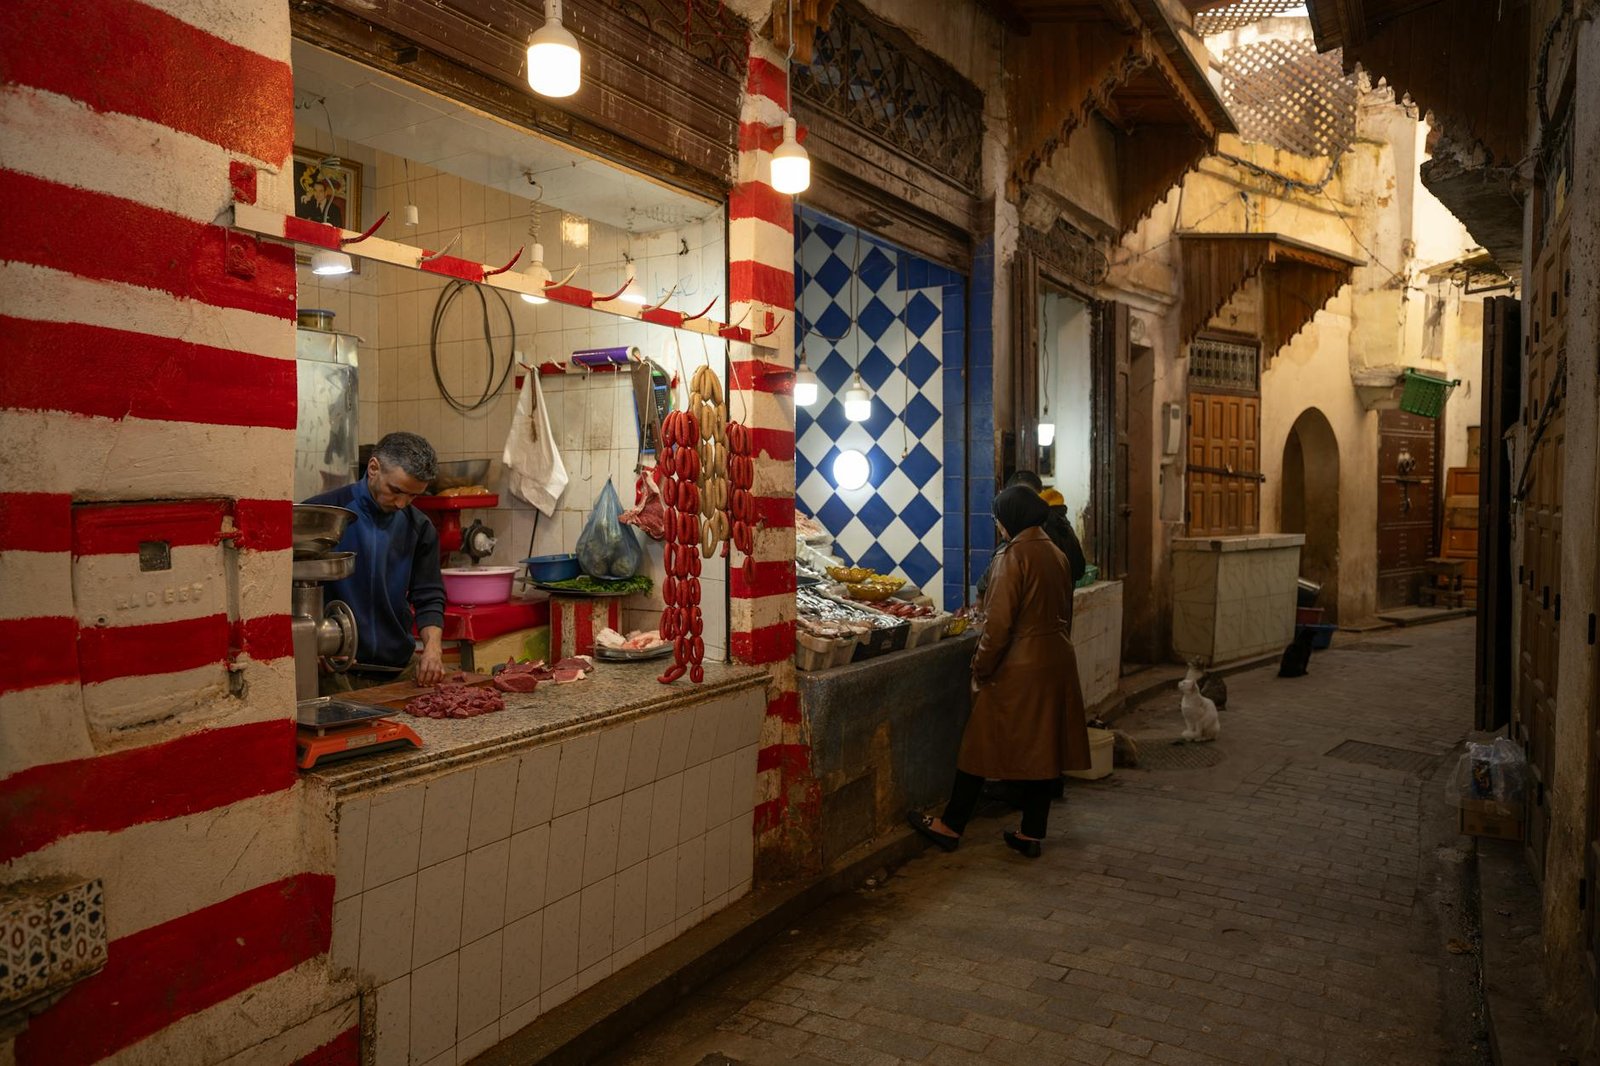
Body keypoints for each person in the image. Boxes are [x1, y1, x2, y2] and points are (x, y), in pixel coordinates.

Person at [908, 485, 1091, 858]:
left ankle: (951, 825)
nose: (998, 526)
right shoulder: (1054, 552)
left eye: (998, 519)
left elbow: (999, 623)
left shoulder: (1014, 557)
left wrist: (981, 665)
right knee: (1043, 746)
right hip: (1056, 657)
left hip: (1021, 663)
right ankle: (1031, 832)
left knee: (979, 741)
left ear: (1011, 518)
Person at [306, 432, 447, 692]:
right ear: (373, 468)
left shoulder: (420, 527)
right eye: (396, 490)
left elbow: (428, 595)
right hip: (333, 672)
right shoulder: (320, 516)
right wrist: (308, 646)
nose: (402, 503)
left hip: (398, 669)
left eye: (413, 496)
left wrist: (433, 648)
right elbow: (292, 594)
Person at [975, 470, 1086, 600]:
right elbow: (1079, 570)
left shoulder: (1030, 531)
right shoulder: (1062, 523)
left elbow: (991, 581)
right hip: (1059, 614)